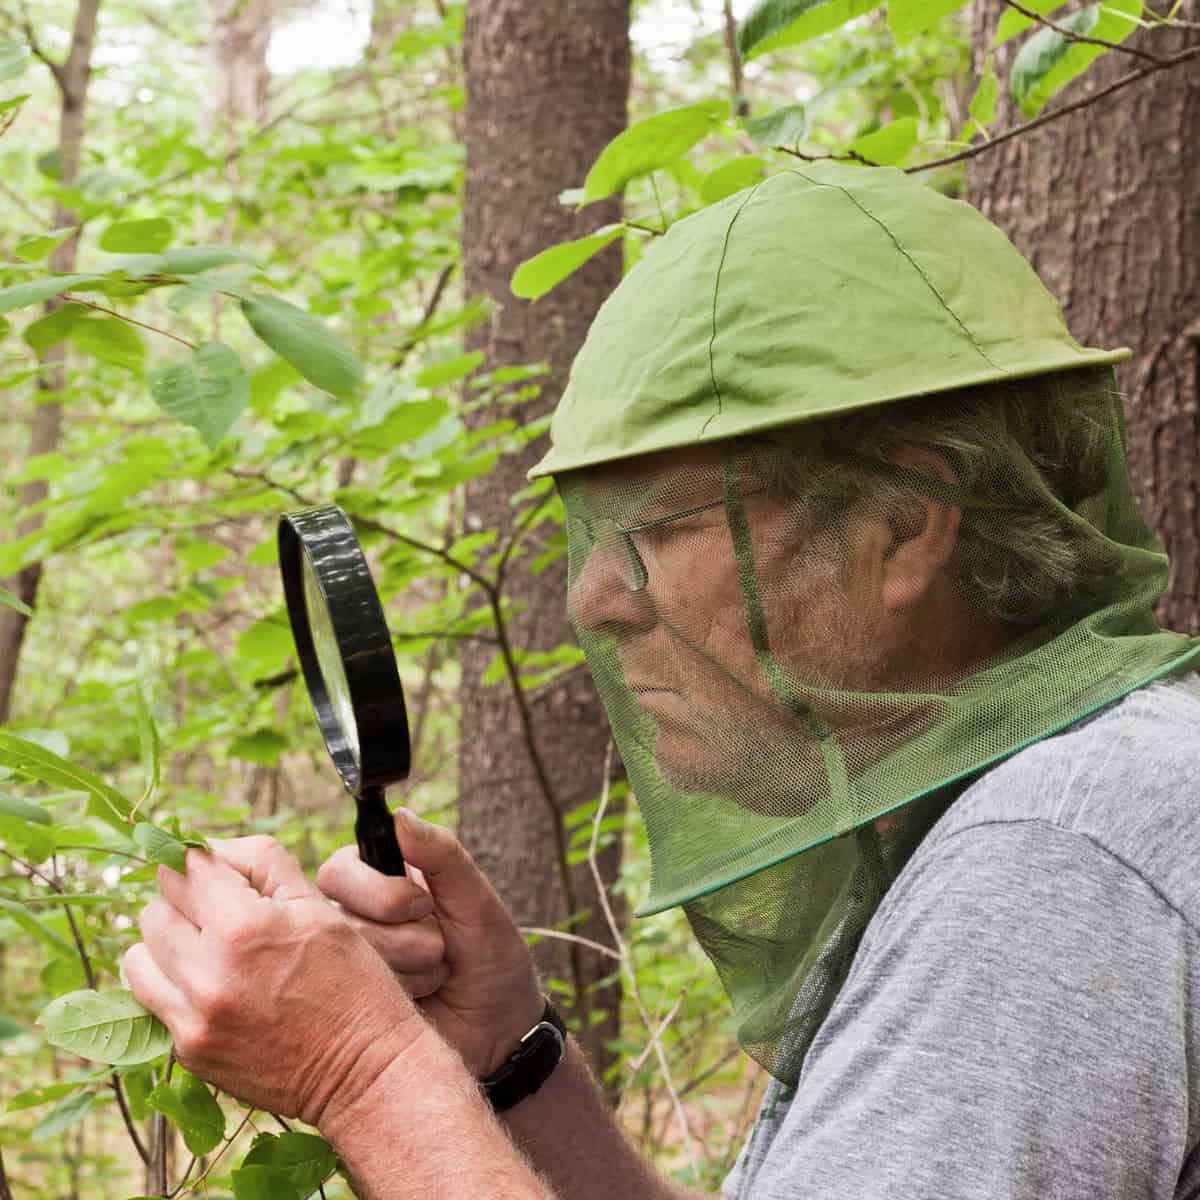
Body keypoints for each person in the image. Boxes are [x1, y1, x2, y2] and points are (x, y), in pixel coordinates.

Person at [125, 163, 1200, 1199]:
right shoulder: (1013, 811)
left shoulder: (1056, 855)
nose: (595, 599)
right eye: (598, 533)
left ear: (906, 522)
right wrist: (505, 1058)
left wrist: (362, 1071)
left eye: (666, 528)